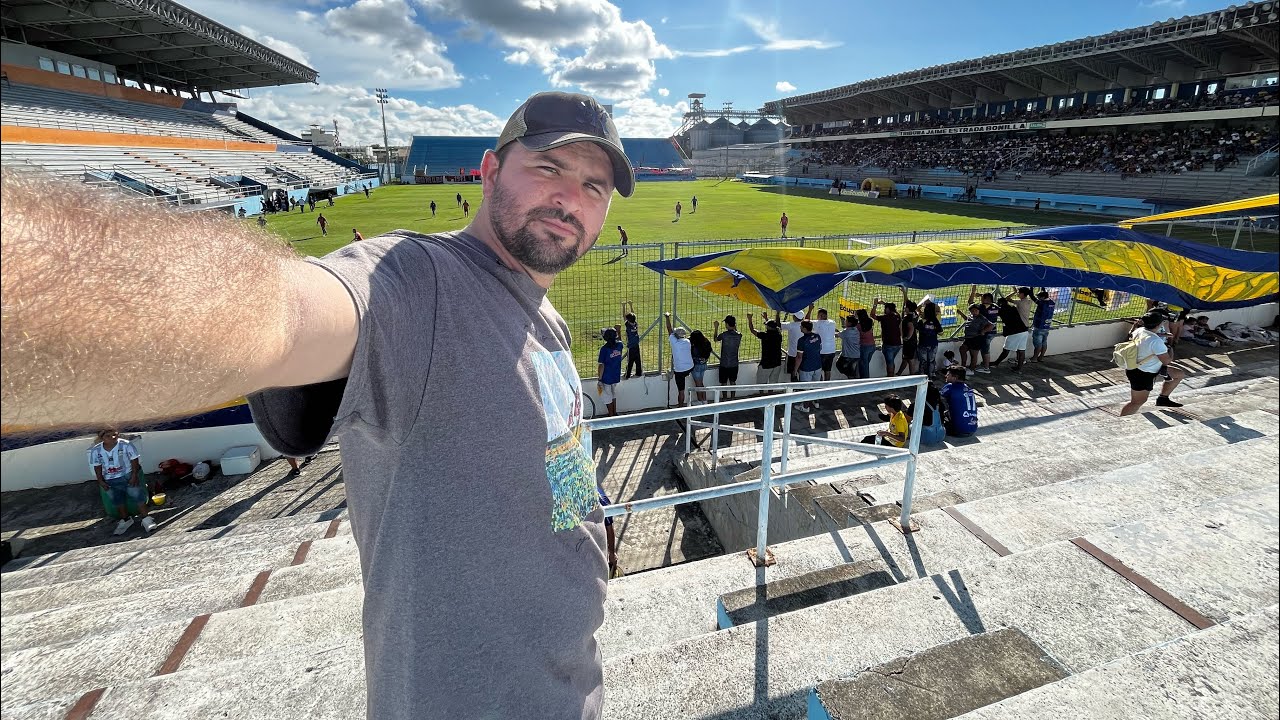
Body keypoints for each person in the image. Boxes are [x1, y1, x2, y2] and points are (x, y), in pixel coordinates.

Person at [1, 90, 637, 720]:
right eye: (548, 168)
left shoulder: (542, 316)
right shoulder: (420, 287)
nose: (568, 198)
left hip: (570, 682)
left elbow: (551, 475)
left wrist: (588, 532)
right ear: (491, 170)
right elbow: (286, 313)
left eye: (593, 187)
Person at [88, 428, 156, 534]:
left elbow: (134, 459)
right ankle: (126, 519)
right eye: (108, 436)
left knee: (138, 497)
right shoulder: (96, 450)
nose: (113, 438)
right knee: (118, 500)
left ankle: (146, 518)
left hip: (127, 475)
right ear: (102, 438)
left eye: (114, 435)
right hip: (110, 479)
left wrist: (134, 475)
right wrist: (100, 480)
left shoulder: (126, 444)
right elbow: (97, 466)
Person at [1120, 311, 1187, 415]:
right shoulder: (1156, 342)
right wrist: (1171, 348)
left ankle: (1163, 399)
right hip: (1142, 374)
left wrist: (1162, 334)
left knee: (1178, 374)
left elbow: (1147, 336)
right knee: (1137, 402)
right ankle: (1121, 421)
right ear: (1158, 325)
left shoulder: (1140, 330)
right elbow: (1167, 361)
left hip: (1146, 367)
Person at [990, 296, 1029, 372]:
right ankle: (1019, 368)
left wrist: (993, 305)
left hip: (1014, 332)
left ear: (1000, 303)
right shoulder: (1013, 308)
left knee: (1006, 350)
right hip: (1024, 331)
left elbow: (991, 312)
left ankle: (996, 363)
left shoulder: (1001, 310)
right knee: (1021, 351)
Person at [793, 320, 824, 412]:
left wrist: (795, 370)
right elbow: (820, 348)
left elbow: (799, 357)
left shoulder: (802, 341)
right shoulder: (818, 336)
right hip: (818, 365)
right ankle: (816, 402)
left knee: (806, 388)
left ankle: (806, 407)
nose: (800, 328)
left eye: (801, 327)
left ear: (805, 329)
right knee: (816, 386)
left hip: (806, 368)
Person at [748, 312, 784, 389]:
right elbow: (774, 327)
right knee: (773, 385)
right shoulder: (779, 335)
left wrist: (750, 319)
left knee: (761, 386)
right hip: (777, 363)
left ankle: (762, 397)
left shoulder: (765, 335)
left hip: (766, 364)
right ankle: (770, 398)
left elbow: (752, 330)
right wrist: (766, 318)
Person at [939, 367, 978, 437]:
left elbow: (936, 397)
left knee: (935, 406)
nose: (946, 376)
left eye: (948, 374)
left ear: (955, 378)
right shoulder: (969, 388)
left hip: (958, 431)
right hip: (973, 429)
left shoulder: (950, 387)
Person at [956, 303, 994, 373]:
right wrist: (960, 313)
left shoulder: (981, 318)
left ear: (979, 311)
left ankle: (971, 369)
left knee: (973, 355)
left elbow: (991, 325)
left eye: (976, 311)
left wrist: (983, 331)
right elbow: (967, 319)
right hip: (968, 338)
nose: (974, 312)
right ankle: (963, 366)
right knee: (962, 349)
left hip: (976, 338)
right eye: (973, 311)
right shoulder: (971, 316)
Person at [665, 312, 694, 406]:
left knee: (681, 391)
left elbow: (669, 329)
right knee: (684, 374)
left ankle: (680, 407)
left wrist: (667, 317)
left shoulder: (674, 342)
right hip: (690, 367)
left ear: (676, 335)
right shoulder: (687, 341)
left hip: (680, 370)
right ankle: (687, 374)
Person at [967, 286, 998, 373]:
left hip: (986, 331)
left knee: (985, 349)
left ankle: (986, 367)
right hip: (993, 331)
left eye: (981, 298)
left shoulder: (982, 308)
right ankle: (985, 365)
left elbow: (970, 303)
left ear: (985, 299)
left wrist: (973, 292)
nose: (980, 299)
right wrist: (981, 295)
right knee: (985, 348)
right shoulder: (995, 306)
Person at [871, 298, 902, 377]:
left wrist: (875, 304)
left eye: (885, 308)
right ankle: (892, 376)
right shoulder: (897, 317)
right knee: (891, 361)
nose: (884, 310)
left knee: (890, 363)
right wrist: (886, 304)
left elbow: (872, 315)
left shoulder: (884, 318)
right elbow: (895, 312)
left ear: (888, 309)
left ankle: (890, 378)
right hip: (898, 344)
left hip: (889, 344)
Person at [597, 327, 624, 416]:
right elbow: (620, 340)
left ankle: (611, 415)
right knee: (613, 393)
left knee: (606, 396)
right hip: (616, 375)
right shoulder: (619, 345)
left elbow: (602, 365)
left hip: (606, 377)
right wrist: (619, 330)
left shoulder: (604, 349)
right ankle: (614, 412)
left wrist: (600, 379)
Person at [713, 315, 742, 399]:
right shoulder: (739, 335)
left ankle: (725, 398)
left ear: (727, 324)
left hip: (724, 363)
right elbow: (736, 331)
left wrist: (716, 327)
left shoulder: (724, 335)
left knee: (723, 383)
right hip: (734, 363)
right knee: (733, 381)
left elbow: (715, 339)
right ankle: (733, 398)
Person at [781, 305, 812, 381]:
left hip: (793, 354)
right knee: (802, 371)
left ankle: (794, 387)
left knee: (793, 372)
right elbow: (808, 319)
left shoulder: (791, 325)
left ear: (795, 317)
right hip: (804, 353)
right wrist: (810, 310)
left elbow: (778, 324)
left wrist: (777, 314)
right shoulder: (805, 325)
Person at [916, 300, 942, 377]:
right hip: (933, 343)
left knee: (923, 361)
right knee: (931, 361)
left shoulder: (921, 321)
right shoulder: (935, 321)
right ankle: (931, 375)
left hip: (923, 343)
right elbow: (941, 332)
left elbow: (916, 329)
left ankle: (922, 376)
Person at [1029, 290, 1056, 362]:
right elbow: (1044, 294)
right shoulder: (1052, 303)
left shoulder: (1042, 303)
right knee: (1044, 342)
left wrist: (1031, 287)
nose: (1038, 299)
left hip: (1039, 326)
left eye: (1039, 297)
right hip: (1047, 326)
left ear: (1043, 297)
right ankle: (1041, 357)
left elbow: (1032, 296)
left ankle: (1034, 358)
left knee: (1038, 344)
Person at [813, 307, 839, 381]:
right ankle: (826, 384)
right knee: (828, 370)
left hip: (821, 351)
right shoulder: (832, 322)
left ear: (821, 315)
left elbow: (806, 321)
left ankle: (820, 383)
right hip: (831, 350)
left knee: (818, 369)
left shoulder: (817, 323)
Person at [688, 329, 713, 404]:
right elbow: (709, 351)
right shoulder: (706, 342)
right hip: (703, 365)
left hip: (696, 366)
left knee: (698, 384)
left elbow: (691, 355)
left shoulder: (694, 346)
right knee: (701, 383)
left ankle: (700, 400)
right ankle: (704, 400)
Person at [897, 297, 919, 375]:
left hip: (909, 342)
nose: (904, 308)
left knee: (910, 360)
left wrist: (907, 337)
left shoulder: (907, 319)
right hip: (913, 341)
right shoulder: (915, 315)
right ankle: (898, 374)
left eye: (906, 307)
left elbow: (911, 327)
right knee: (906, 358)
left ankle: (912, 378)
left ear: (908, 309)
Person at [621, 301, 642, 379]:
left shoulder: (628, 326)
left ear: (628, 320)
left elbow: (624, 316)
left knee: (630, 361)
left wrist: (623, 306)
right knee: (638, 360)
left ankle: (627, 375)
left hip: (631, 346)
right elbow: (633, 315)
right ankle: (639, 373)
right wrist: (631, 305)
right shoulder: (635, 324)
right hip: (636, 345)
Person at [836, 314, 861, 379]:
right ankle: (852, 378)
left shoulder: (846, 332)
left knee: (839, 365)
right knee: (851, 369)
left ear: (849, 323)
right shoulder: (856, 330)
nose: (845, 321)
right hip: (856, 354)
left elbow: (838, 335)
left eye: (846, 321)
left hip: (848, 355)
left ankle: (851, 378)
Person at [856, 308, 877, 379]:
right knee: (866, 364)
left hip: (864, 346)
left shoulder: (858, 326)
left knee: (864, 366)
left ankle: (865, 382)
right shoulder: (870, 322)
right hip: (872, 345)